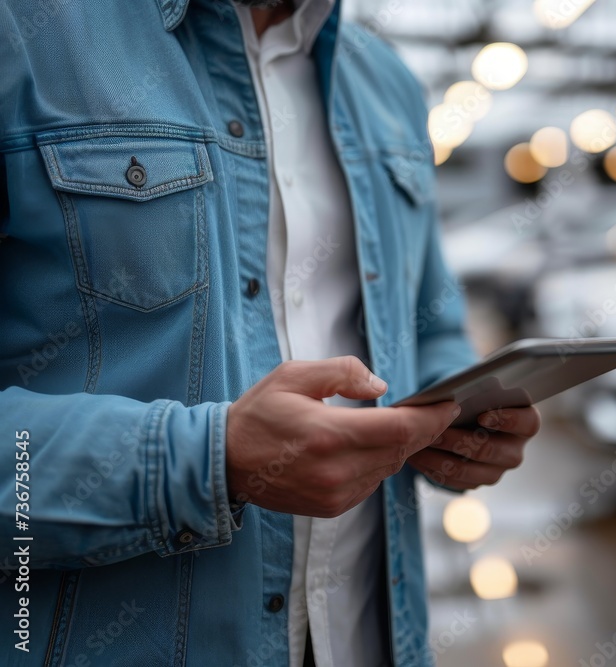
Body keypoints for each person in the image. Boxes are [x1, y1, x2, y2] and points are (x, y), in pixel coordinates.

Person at [0, 0, 541, 665]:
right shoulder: (27, 35)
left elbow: (431, 322)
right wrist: (207, 461)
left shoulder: (388, 84)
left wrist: (459, 412)